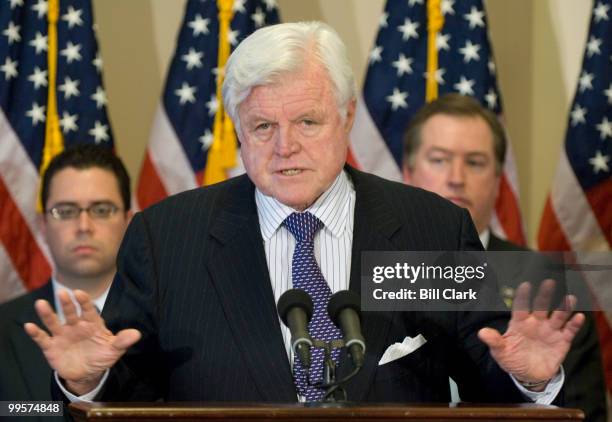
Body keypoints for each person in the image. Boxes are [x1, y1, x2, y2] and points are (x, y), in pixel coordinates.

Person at [26, 22, 583, 407]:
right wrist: (88, 380)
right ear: (239, 133)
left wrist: (527, 378)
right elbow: (129, 393)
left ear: (345, 117)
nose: (284, 147)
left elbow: (487, 380)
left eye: (308, 122)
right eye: (263, 127)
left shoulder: (433, 228)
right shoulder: (166, 237)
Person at [402, 93, 606, 420]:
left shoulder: (553, 283)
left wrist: (536, 382)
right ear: (407, 174)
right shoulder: (374, 276)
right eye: (439, 159)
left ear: (499, 180)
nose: (456, 177)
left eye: (475, 162)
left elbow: (585, 412)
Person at [0, 144, 132, 406]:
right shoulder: (3, 328)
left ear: (129, 222)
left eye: (102, 210)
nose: (84, 226)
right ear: (43, 225)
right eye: (65, 211)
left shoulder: (166, 321)